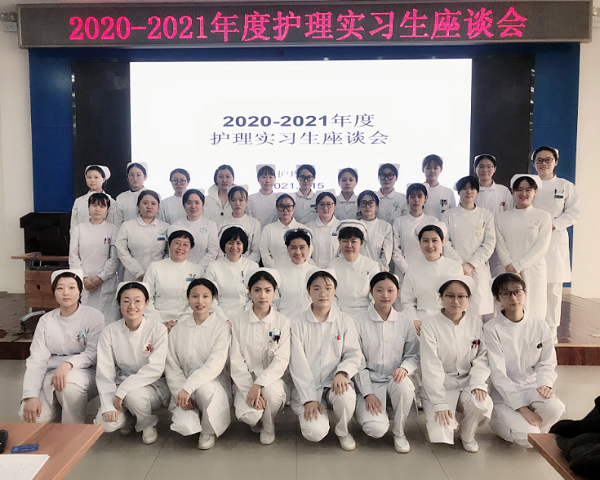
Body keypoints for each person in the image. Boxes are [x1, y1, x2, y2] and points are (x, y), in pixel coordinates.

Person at [484, 273, 565, 447]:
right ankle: (505, 423)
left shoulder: (539, 325)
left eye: (517, 292)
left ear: (525, 293)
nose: (513, 298)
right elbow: (498, 374)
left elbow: (547, 362)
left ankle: (533, 427)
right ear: (497, 298)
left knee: (556, 408)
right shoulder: (491, 329)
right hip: (503, 395)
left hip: (531, 388)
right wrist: (521, 408)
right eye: (506, 293)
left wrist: (545, 384)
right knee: (527, 438)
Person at [290, 269, 364, 451]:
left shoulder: (345, 321)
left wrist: (342, 373)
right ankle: (315, 413)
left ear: (335, 290)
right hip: (310, 385)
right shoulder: (297, 323)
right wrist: (309, 398)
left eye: (328, 288)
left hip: (335, 382)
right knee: (314, 433)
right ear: (308, 291)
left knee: (346, 395)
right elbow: (297, 365)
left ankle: (343, 431)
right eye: (316, 288)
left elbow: (354, 354)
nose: (322, 293)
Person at [420, 274, 493, 452]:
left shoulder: (476, 323)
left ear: (468, 298)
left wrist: (478, 383)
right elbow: (431, 366)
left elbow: (482, 357)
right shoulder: (430, 325)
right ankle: (450, 416)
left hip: (467, 381)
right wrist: (439, 402)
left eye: (461, 296)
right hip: (442, 384)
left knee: (481, 403)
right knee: (441, 433)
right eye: (450, 296)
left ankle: (467, 433)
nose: (456, 301)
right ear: (441, 297)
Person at [20, 270, 104, 424]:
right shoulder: (46, 320)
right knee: (32, 417)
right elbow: (37, 359)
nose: (66, 292)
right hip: (51, 372)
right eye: (60, 288)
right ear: (54, 292)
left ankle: (73, 429)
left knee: (69, 387)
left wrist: (68, 364)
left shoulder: (93, 316)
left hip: (84, 371)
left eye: (72, 287)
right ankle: (58, 405)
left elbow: (93, 352)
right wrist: (31, 396)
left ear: (80, 292)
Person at [95, 282, 170, 444]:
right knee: (106, 424)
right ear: (119, 303)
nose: (132, 306)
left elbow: (155, 368)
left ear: (146, 303)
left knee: (135, 397)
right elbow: (104, 371)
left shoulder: (157, 329)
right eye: (126, 301)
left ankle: (146, 424)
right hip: (119, 384)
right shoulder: (109, 332)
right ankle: (128, 419)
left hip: (151, 385)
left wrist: (123, 389)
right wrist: (108, 405)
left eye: (137, 301)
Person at [354, 272, 419, 453]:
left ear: (397, 293)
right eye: (379, 290)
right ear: (371, 292)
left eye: (390, 290)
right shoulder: (358, 322)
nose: (385, 295)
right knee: (375, 429)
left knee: (404, 385)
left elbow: (413, 355)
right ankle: (373, 411)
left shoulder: (405, 322)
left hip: (394, 378)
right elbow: (357, 362)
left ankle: (399, 432)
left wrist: (404, 368)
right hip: (370, 381)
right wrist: (368, 393)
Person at [166, 278, 232, 450]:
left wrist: (189, 387)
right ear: (188, 298)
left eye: (205, 296)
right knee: (185, 427)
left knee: (205, 389)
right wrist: (180, 391)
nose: (200, 301)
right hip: (183, 390)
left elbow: (215, 364)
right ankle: (193, 416)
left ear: (213, 299)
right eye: (195, 296)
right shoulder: (178, 329)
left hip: (212, 386)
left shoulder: (221, 328)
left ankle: (208, 430)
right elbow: (172, 365)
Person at [230, 269, 291, 445]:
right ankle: (257, 417)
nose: (262, 296)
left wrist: (259, 384)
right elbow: (236, 360)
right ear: (249, 292)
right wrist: (249, 389)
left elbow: (281, 360)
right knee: (249, 416)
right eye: (257, 290)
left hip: (273, 379)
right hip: (245, 379)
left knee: (272, 393)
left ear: (274, 292)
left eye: (267, 290)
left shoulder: (282, 322)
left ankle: (268, 425)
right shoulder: (238, 321)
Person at [531, 146, 581, 342]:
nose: (544, 163)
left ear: (556, 162)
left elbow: (574, 213)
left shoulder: (565, 186)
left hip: (554, 241)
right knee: (532, 288)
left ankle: (551, 334)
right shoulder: (528, 183)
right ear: (534, 163)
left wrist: (553, 225)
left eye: (548, 160)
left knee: (553, 289)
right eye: (539, 160)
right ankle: (533, 330)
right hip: (531, 240)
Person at [495, 174, 552, 321]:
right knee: (510, 308)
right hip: (508, 269)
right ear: (513, 192)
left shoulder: (543, 216)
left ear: (535, 191)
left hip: (533, 269)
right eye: (519, 189)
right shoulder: (502, 217)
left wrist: (519, 265)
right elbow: (500, 245)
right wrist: (512, 268)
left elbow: (542, 247)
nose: (523, 193)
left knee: (535, 309)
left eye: (528, 190)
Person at [441, 176, 496, 316]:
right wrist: (460, 265)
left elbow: (489, 242)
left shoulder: (485, 215)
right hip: (455, 267)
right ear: (458, 192)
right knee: (456, 309)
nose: (468, 191)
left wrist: (471, 264)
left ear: (477, 191)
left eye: (472, 188)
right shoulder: (448, 215)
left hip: (478, 269)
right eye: (464, 188)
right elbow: (445, 242)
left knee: (477, 312)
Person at [401, 225, 463, 335]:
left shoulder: (454, 267)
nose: (430, 245)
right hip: (422, 323)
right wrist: (414, 319)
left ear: (442, 242)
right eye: (425, 241)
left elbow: (461, 299)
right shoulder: (412, 268)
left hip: (449, 322)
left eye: (434, 240)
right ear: (420, 244)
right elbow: (407, 301)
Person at [69, 192, 120, 323]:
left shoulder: (113, 230)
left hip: (106, 281)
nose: (97, 209)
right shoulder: (78, 229)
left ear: (107, 210)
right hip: (84, 281)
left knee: (107, 320)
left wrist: (100, 278)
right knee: (85, 319)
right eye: (94, 205)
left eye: (102, 206)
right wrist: (84, 278)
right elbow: (73, 256)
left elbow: (114, 258)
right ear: (88, 207)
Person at [143, 230, 203, 327]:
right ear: (169, 245)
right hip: (157, 320)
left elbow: (198, 300)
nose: (180, 248)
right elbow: (145, 297)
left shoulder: (197, 270)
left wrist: (180, 323)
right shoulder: (154, 267)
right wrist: (159, 323)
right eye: (177, 243)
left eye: (185, 245)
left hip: (187, 320)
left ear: (190, 249)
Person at [204, 225, 259, 318]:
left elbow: (255, 296)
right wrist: (223, 319)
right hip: (220, 315)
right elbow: (209, 297)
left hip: (247, 315)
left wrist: (245, 316)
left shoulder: (252, 266)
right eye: (230, 243)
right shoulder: (213, 267)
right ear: (223, 244)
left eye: (238, 243)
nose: (234, 247)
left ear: (244, 245)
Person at [328, 221, 380, 320]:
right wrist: (338, 315)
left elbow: (376, 293)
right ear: (339, 243)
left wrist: (370, 314)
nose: (349, 245)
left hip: (367, 313)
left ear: (361, 244)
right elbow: (330, 295)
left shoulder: (372, 265)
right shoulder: (332, 266)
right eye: (345, 241)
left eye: (353, 241)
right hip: (340, 313)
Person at [473, 154, 514, 277]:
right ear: (475, 169)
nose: (485, 170)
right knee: (479, 273)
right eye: (481, 166)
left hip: (499, 238)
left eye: (489, 166)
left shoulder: (503, 191)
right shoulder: (470, 191)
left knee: (498, 273)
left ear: (494, 169)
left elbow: (510, 215)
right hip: (476, 238)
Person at [115, 190, 169, 282]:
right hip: (133, 276)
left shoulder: (166, 227)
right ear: (138, 205)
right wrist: (138, 273)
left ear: (158, 207)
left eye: (153, 203)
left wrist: (159, 270)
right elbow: (121, 250)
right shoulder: (127, 226)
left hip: (159, 275)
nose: (149, 206)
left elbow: (169, 252)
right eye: (145, 203)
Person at [392, 183, 440, 283]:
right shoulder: (399, 222)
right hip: (404, 273)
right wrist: (407, 270)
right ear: (407, 199)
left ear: (426, 198)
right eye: (412, 196)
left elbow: (437, 248)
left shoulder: (433, 221)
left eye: (420, 196)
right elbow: (395, 250)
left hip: (428, 270)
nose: (416, 200)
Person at [170, 189, 219, 273]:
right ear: (184, 205)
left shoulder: (210, 225)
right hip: (179, 270)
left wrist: (197, 269)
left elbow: (213, 251)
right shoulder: (176, 225)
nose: (193, 206)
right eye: (189, 203)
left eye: (197, 203)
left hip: (202, 270)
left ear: (202, 205)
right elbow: (172, 250)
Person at [259, 194, 308, 268]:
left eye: (289, 206)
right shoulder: (268, 229)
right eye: (281, 206)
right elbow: (264, 253)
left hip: (299, 270)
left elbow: (307, 253)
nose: (285, 210)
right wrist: (276, 269)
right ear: (277, 207)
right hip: (274, 271)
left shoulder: (304, 229)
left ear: (294, 207)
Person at [275, 229, 315, 318]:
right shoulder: (278, 273)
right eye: (293, 248)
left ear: (308, 248)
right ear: (287, 249)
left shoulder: (317, 272)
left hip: (311, 321)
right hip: (286, 320)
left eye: (302, 247)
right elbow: (273, 303)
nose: (298, 252)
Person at [357, 190, 393, 271]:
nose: (367, 206)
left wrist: (373, 269)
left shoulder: (385, 226)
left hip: (379, 271)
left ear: (376, 205)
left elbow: (386, 255)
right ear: (359, 205)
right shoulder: (354, 225)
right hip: (357, 270)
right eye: (363, 203)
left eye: (371, 202)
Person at [226, 185, 261, 263]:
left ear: (246, 201)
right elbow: (219, 250)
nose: (237, 203)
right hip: (225, 265)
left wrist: (244, 265)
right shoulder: (222, 223)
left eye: (241, 200)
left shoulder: (254, 223)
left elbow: (256, 251)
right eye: (233, 200)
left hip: (247, 266)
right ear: (229, 201)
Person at [305, 191, 341, 268]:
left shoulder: (341, 227)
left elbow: (344, 252)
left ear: (335, 206)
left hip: (336, 270)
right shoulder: (308, 227)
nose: (325, 208)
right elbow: (305, 253)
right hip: (312, 270)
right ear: (317, 206)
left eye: (329, 204)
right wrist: (314, 268)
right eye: (321, 204)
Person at [114, 162, 149, 228]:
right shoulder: (121, 197)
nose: (135, 178)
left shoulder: (153, 196)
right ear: (128, 178)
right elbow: (117, 221)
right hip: (127, 232)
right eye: (132, 175)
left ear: (145, 177)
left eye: (138, 175)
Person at [422, 155, 456, 220]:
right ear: (423, 169)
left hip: (442, 226)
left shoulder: (448, 192)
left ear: (441, 169)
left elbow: (453, 215)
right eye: (428, 168)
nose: (432, 171)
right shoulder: (417, 192)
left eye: (435, 168)